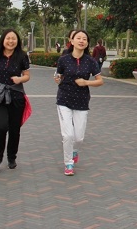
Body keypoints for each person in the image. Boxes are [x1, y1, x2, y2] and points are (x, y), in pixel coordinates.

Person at [54, 29, 103, 176]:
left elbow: (100, 81)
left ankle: (74, 150)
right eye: (78, 38)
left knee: (79, 138)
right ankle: (68, 163)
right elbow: (59, 76)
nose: (81, 41)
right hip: (64, 99)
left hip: (82, 101)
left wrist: (86, 82)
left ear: (87, 43)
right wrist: (57, 79)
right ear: (72, 41)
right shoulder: (63, 60)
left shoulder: (91, 61)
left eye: (84, 39)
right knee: (68, 135)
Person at [0, 29, 32, 172]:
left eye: (13, 39)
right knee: (1, 127)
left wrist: (20, 79)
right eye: (8, 38)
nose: (11, 41)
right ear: (3, 40)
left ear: (17, 41)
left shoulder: (22, 56)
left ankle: (11, 158)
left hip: (17, 97)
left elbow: (27, 75)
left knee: (15, 130)